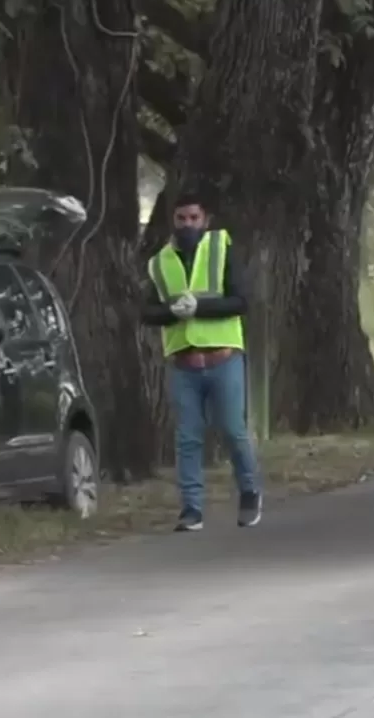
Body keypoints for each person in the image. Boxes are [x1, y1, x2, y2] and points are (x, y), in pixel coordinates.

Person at [141, 191, 264, 532]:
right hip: (184, 364)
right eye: (181, 218)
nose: (187, 225)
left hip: (223, 358)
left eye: (194, 218)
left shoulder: (221, 250)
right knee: (188, 438)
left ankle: (250, 491)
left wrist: (200, 308)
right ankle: (192, 508)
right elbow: (146, 311)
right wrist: (170, 312)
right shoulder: (160, 262)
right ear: (173, 221)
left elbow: (241, 300)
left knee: (233, 430)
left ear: (205, 220)